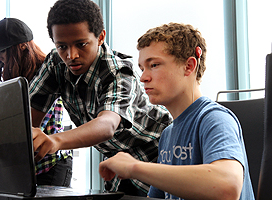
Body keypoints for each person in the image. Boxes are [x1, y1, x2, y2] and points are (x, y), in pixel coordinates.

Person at [28, 0, 172, 196]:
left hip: (159, 156)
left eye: (81, 44)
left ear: (101, 37)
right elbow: (30, 115)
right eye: (62, 46)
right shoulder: (55, 64)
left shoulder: (118, 72)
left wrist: (56, 141)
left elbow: (107, 125)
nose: (71, 55)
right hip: (118, 161)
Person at [98, 22, 255, 200]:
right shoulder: (167, 134)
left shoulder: (215, 119)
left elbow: (228, 187)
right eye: (142, 68)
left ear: (189, 66)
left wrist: (134, 167)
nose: (143, 77)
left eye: (154, 65)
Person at [0, 18, 73, 187]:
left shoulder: (47, 72)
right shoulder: (14, 80)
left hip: (51, 165)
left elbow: (31, 123)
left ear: (22, 46)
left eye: (3, 51)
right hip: (27, 166)